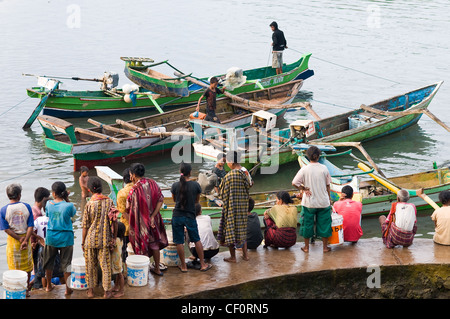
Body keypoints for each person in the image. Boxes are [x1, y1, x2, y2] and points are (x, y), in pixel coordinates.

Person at [126, 163, 168, 276]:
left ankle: (144, 272)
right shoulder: (153, 183)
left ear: (133, 175)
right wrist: (153, 215)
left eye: (131, 174)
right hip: (154, 220)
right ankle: (157, 269)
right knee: (155, 244)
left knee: (141, 246)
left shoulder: (134, 189)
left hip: (140, 224)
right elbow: (161, 199)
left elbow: (127, 206)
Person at [171, 163, 212, 272]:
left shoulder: (175, 185)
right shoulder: (195, 185)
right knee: (196, 239)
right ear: (190, 172)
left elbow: (175, 200)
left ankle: (183, 266)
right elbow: (197, 201)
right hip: (190, 215)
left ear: (180, 172)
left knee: (179, 241)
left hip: (177, 215)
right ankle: (203, 264)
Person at [81, 176, 118, 299]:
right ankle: (106, 292)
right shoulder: (109, 202)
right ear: (101, 188)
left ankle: (91, 291)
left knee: (90, 266)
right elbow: (114, 222)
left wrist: (82, 242)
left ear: (90, 190)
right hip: (104, 240)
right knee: (105, 266)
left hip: (90, 240)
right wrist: (114, 238)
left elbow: (85, 226)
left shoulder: (89, 204)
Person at [292, 146, 332, 253]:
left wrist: (303, 188)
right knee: (324, 224)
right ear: (318, 156)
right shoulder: (324, 168)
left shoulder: (304, 169)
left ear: (308, 156)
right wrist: (329, 199)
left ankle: (306, 247)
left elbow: (294, 183)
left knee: (307, 225)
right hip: (323, 202)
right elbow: (328, 186)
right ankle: (324, 247)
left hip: (309, 203)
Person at [0, 183, 35, 297]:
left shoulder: (4, 210)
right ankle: (26, 291)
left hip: (14, 242)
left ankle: (16, 291)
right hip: (26, 237)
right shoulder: (26, 206)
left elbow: (6, 229)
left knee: (14, 267)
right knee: (28, 267)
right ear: (19, 195)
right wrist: (25, 240)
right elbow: (30, 226)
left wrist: (19, 239)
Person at [43, 181, 76, 295]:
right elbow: (72, 214)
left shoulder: (48, 204)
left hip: (51, 237)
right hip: (66, 238)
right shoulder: (69, 205)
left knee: (49, 263)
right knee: (66, 265)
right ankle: (68, 289)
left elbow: (47, 215)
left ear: (54, 193)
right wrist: (67, 199)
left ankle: (48, 286)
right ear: (65, 193)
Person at [217, 151, 250, 262]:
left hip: (231, 209)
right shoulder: (243, 174)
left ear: (231, 162)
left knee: (230, 231)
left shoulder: (228, 176)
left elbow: (221, 194)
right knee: (242, 230)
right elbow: (248, 187)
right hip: (242, 208)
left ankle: (233, 257)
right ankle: (245, 255)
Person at [33, 213, 65, 289]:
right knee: (60, 272)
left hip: (42, 246)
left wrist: (39, 238)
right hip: (53, 246)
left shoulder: (39, 219)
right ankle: (65, 288)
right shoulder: (55, 219)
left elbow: (31, 230)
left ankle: (46, 288)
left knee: (43, 272)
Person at [188, 203, 220, 268]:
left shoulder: (191, 221)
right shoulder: (208, 218)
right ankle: (208, 257)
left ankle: (195, 256)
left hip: (196, 252)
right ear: (200, 211)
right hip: (215, 250)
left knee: (188, 233)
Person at [116, 167, 133, 264]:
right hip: (140, 226)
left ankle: (125, 271)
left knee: (125, 252)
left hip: (126, 228)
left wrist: (131, 224)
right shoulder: (139, 189)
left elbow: (123, 211)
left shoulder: (122, 193)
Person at [111, 222, 126, 297]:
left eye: (112, 227)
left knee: (120, 275)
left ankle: (122, 291)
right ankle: (116, 287)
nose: (111, 228)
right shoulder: (120, 239)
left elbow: (112, 249)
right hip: (119, 259)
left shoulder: (115, 240)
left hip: (116, 261)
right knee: (118, 274)